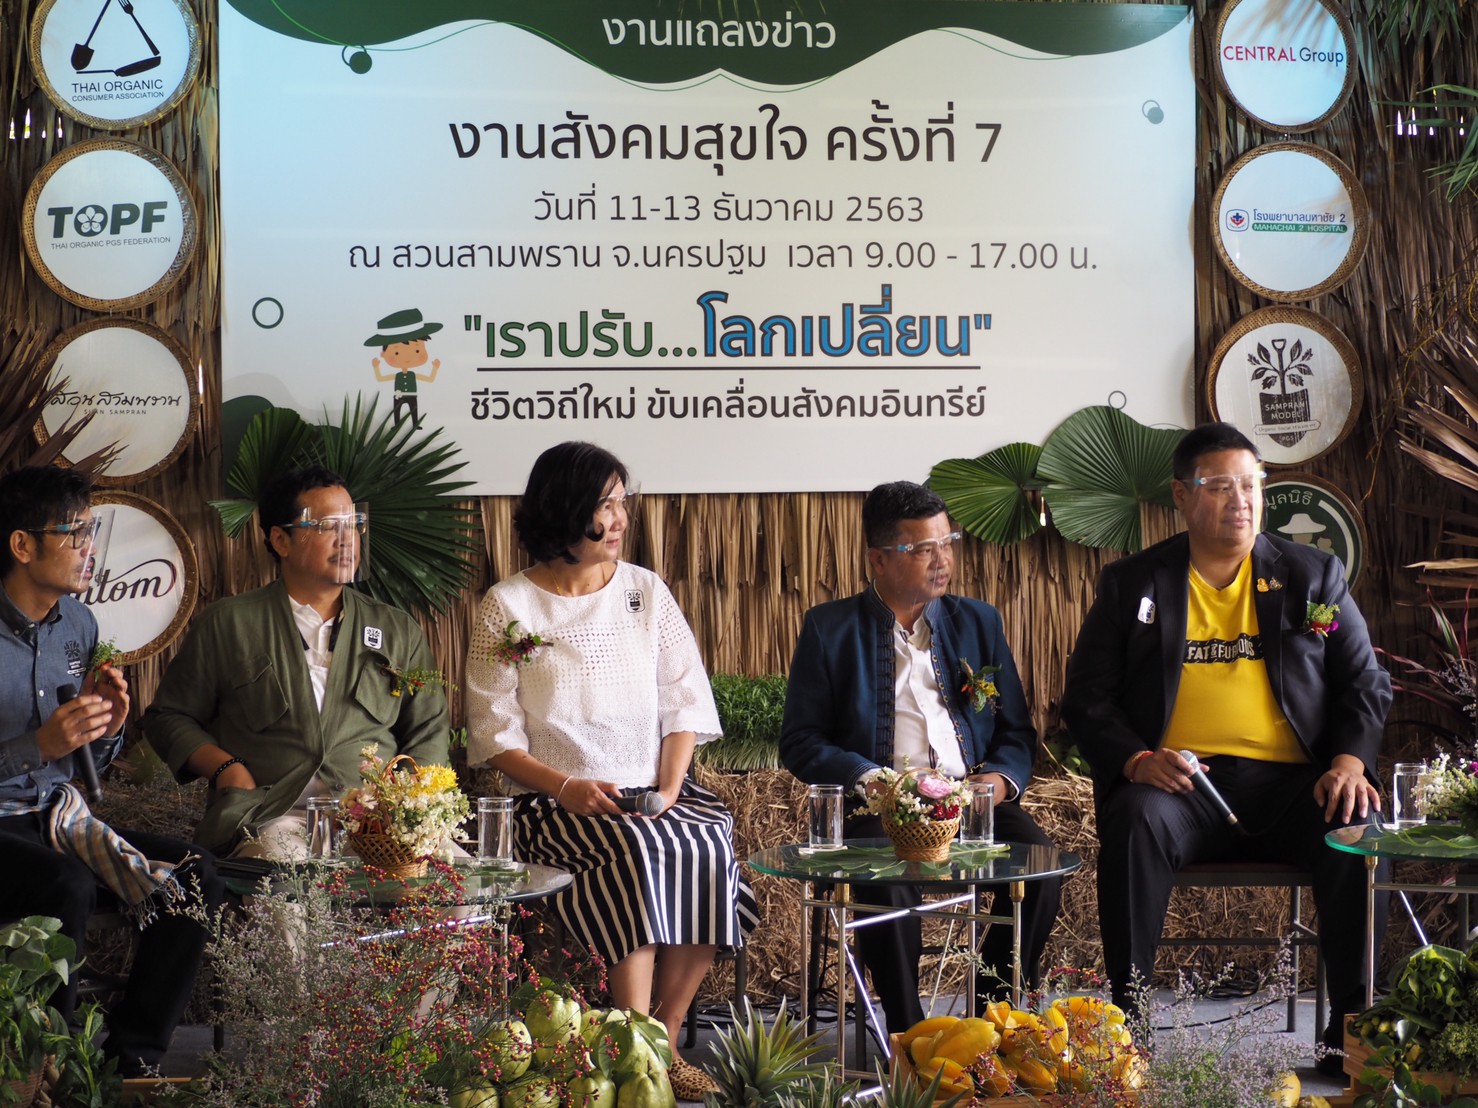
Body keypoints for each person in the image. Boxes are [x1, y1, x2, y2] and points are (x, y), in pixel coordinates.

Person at [1061, 422, 1390, 1074]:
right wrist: (1138, 761)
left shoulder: (1312, 575)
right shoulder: (1133, 583)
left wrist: (1349, 763)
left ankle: (1350, 1031)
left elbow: (1364, 681)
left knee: (1355, 824)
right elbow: (1087, 699)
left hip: (1295, 786)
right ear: (1182, 495)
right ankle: (1130, 1031)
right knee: (1133, 820)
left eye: (1251, 484)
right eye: (1220, 487)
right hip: (1184, 785)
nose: (1240, 501)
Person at [464, 441, 758, 1102]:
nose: (621, 518)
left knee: (709, 842)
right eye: (605, 505)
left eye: (623, 503)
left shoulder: (643, 591)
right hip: (552, 804)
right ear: (565, 511)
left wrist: (671, 787)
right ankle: (633, 1042)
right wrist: (565, 786)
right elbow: (493, 734)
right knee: (637, 850)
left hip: (651, 791)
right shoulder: (509, 606)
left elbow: (684, 702)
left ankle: (661, 1040)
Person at [779, 481, 1062, 1034]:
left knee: (1040, 866)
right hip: (879, 809)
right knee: (886, 881)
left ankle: (990, 1024)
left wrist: (998, 782)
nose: (942, 560)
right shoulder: (830, 629)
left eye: (947, 543)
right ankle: (910, 1037)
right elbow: (802, 740)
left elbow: (1015, 730)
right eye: (923, 548)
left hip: (970, 803)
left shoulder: (978, 621)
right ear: (878, 559)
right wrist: (870, 779)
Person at [0, 465, 223, 1076]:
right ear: (22, 545)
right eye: (74, 533)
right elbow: (43, 749)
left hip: (57, 817)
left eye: (92, 533)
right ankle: (45, 1072)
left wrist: (108, 729)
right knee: (64, 885)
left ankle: (129, 1064)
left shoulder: (80, 624)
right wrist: (36, 747)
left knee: (197, 874)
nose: (89, 549)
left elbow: (84, 764)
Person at [144, 466, 451, 858]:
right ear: (281, 540)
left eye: (353, 524)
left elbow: (428, 729)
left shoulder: (396, 629)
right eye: (328, 526)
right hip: (270, 816)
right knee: (284, 876)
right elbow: (169, 716)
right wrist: (225, 769)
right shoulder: (229, 623)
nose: (347, 539)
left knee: (457, 876)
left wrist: (405, 807)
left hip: (375, 821)